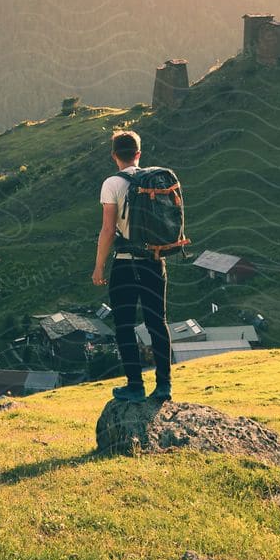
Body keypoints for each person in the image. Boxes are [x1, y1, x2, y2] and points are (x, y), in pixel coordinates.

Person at [92, 128, 172, 402]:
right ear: (138, 153)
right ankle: (164, 386)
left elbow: (107, 230)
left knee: (124, 325)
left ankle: (135, 386)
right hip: (155, 261)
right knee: (157, 323)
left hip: (126, 265)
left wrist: (99, 267)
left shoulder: (112, 184)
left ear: (115, 156)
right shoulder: (155, 179)